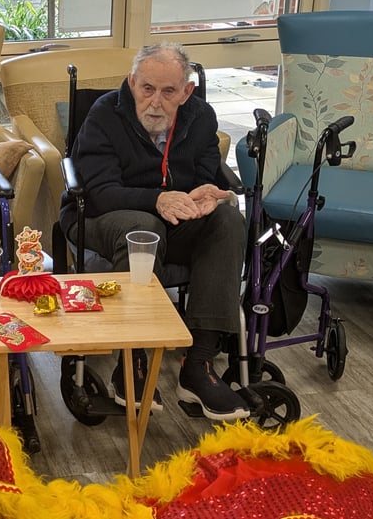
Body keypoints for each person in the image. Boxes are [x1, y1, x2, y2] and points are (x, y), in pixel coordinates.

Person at [59, 42, 249, 421]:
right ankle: (131, 361)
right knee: (143, 229)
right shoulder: (104, 115)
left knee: (229, 220)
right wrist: (157, 200)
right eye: (147, 89)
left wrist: (214, 194)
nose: (156, 102)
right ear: (132, 83)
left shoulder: (201, 117)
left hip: (173, 220)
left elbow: (210, 174)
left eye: (168, 92)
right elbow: (99, 192)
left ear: (186, 92)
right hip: (100, 216)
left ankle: (198, 366)